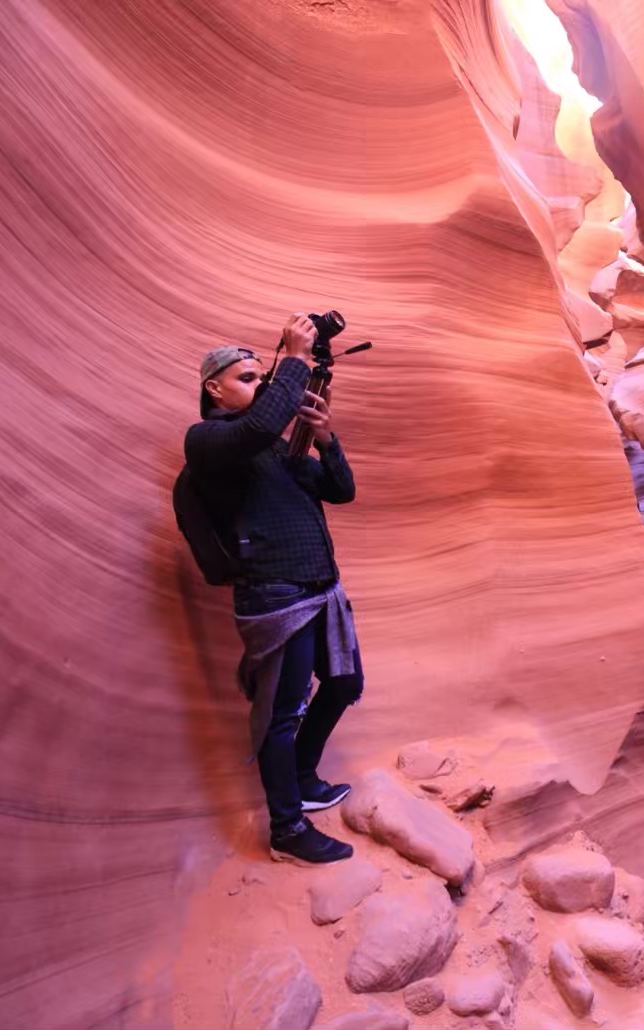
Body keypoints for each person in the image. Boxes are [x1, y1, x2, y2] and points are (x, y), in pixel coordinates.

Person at [185, 314, 363, 865]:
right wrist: (291, 358)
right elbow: (260, 425)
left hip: (320, 593)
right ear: (213, 388)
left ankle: (304, 779)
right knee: (282, 714)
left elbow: (341, 490)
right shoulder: (210, 442)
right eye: (247, 378)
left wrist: (326, 438)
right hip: (276, 598)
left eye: (261, 380)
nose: (259, 387)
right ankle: (286, 831)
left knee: (342, 684)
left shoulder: (276, 455)